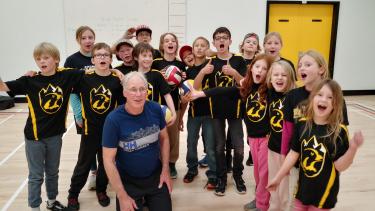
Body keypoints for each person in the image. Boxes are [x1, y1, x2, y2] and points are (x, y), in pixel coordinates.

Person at [0, 42, 85, 211]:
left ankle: (52, 202)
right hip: (35, 138)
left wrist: (116, 71)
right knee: (36, 176)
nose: (42, 61)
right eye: (38, 59)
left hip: (55, 136)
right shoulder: (30, 80)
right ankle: (34, 207)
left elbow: (93, 72)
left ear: (56, 59)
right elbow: (3, 87)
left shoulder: (67, 76)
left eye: (46, 57)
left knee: (53, 173)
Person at [267, 79, 364, 210]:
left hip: (324, 195)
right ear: (312, 98)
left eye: (330, 97)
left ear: (336, 104)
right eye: (319, 94)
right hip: (302, 190)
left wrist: (352, 148)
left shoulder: (338, 132)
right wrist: (278, 178)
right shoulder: (302, 124)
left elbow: (340, 166)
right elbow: (293, 153)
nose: (324, 100)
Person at [281, 50, 349, 211]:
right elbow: (288, 131)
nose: (301, 68)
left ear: (321, 69)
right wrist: (284, 159)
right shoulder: (292, 96)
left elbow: (341, 134)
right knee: (295, 204)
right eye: (299, 66)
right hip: (298, 162)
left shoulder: (335, 97)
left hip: (323, 167)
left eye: (307, 64)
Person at [102, 71, 172, 211]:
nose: (138, 94)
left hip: (155, 176)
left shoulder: (156, 109)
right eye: (133, 89)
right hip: (128, 181)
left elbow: (164, 138)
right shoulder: (113, 120)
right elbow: (108, 160)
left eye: (142, 89)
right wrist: (121, 195)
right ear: (124, 92)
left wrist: (165, 169)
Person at [66, 43, 124, 210]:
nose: (102, 58)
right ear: (93, 60)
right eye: (99, 55)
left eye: (106, 55)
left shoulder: (116, 80)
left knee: (106, 164)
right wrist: (78, 114)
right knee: (83, 164)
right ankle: (73, 194)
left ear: (111, 59)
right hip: (89, 130)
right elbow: (71, 92)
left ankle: (101, 190)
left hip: (109, 131)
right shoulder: (84, 78)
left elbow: (121, 105)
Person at [193, 27, 247, 196]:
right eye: (217, 38)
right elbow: (196, 87)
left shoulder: (239, 60)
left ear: (230, 41)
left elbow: (246, 84)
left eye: (224, 37)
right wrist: (202, 71)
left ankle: (238, 176)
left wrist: (234, 73)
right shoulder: (210, 62)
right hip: (215, 110)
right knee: (219, 147)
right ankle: (222, 178)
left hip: (236, 110)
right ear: (214, 42)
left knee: (238, 147)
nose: (221, 40)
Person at [179, 37, 217, 189]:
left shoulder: (212, 65)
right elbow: (187, 95)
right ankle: (192, 169)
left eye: (203, 46)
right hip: (194, 113)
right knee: (191, 143)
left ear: (207, 48)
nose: (200, 48)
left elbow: (227, 54)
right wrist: (181, 112)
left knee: (210, 145)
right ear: (193, 49)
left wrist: (213, 53)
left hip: (211, 113)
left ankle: (213, 174)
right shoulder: (189, 71)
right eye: (197, 46)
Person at [64, 25, 98, 190]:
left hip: (101, 108)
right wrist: (78, 114)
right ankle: (93, 172)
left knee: (102, 142)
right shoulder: (72, 61)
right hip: (84, 111)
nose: (87, 41)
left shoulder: (100, 56)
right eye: (83, 38)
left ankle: (104, 174)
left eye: (90, 37)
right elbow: (70, 90)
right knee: (88, 145)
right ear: (78, 40)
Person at [152, 32, 186, 179]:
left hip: (174, 104)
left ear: (176, 44)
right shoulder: (155, 63)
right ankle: (157, 162)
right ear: (162, 45)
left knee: (173, 136)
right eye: (166, 41)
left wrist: (183, 78)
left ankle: (171, 163)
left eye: (173, 40)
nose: (170, 43)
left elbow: (185, 88)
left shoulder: (180, 64)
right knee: (156, 136)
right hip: (156, 105)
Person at [265, 60, 296, 211]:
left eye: (284, 75)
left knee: (285, 188)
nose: (279, 78)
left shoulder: (295, 97)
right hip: (273, 148)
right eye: (276, 75)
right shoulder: (271, 93)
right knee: (273, 184)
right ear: (270, 78)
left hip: (289, 152)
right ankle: (273, 207)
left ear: (291, 78)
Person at [132, 42, 176, 125]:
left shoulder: (157, 74)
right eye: (144, 56)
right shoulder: (131, 76)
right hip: (135, 117)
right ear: (136, 57)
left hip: (153, 117)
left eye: (150, 56)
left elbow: (167, 95)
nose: (148, 59)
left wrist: (173, 113)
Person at [239, 32, 261, 167]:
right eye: (248, 41)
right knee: (234, 130)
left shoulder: (258, 62)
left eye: (254, 43)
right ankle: (232, 155)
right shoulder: (237, 60)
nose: (251, 44)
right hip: (238, 99)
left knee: (251, 128)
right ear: (242, 45)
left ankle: (252, 154)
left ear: (257, 47)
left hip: (252, 100)